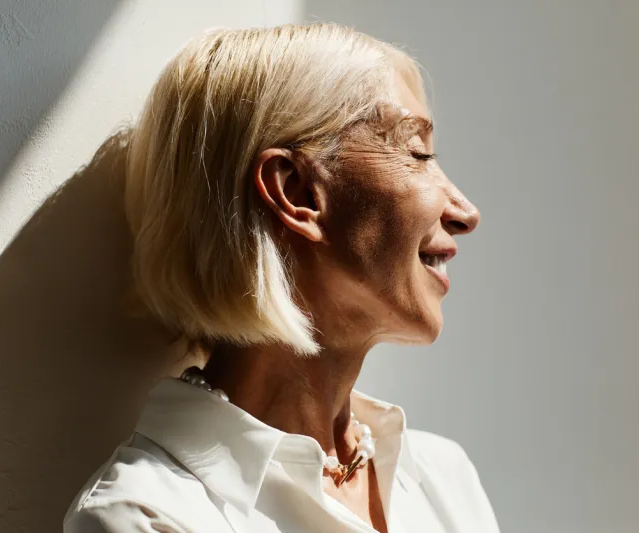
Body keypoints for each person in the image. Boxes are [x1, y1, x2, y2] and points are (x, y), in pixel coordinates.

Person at [65, 22, 499, 533]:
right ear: (296, 192)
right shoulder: (151, 516)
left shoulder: (441, 477)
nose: (466, 212)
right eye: (417, 154)